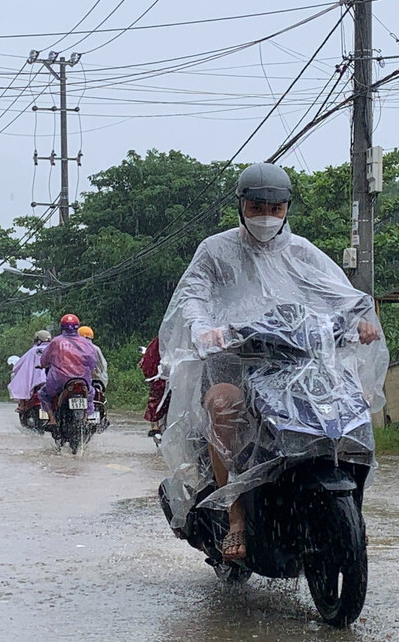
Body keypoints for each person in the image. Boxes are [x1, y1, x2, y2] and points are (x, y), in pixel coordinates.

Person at [159, 162, 384, 563]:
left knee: (352, 406)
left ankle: (351, 517)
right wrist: (204, 329)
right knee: (224, 407)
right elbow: (193, 295)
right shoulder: (215, 250)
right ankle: (237, 517)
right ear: (241, 205)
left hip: (294, 362)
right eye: (258, 206)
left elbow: (340, 294)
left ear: (287, 209)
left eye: (275, 208)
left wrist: (360, 321)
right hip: (232, 358)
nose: (266, 215)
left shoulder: (303, 253)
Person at [39, 314, 99, 416]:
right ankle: (86, 418)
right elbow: (93, 362)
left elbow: (44, 359)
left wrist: (43, 364)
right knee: (90, 393)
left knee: (43, 394)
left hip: (59, 381)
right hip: (82, 379)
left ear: (62, 326)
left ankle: (52, 419)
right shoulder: (86, 343)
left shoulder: (56, 342)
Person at [8, 330, 51, 418]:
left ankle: (22, 405)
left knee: (21, 380)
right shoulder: (55, 349)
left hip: (36, 383)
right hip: (53, 380)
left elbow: (18, 365)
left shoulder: (32, 351)